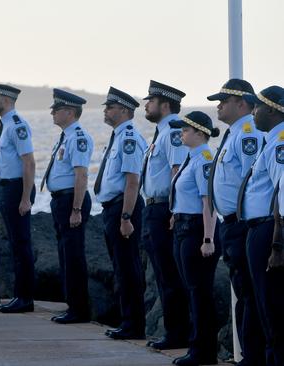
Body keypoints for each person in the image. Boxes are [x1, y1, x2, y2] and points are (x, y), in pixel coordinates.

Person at [207, 79, 266, 365]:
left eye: (223, 101)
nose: (218, 105)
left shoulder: (248, 134)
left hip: (241, 224)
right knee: (243, 291)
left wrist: (240, 222)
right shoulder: (234, 134)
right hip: (229, 224)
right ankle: (248, 354)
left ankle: (252, 357)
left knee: (250, 294)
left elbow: (250, 180)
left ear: (242, 103)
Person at [140, 80, 190, 349]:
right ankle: (174, 331)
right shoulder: (161, 132)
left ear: (165, 104)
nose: (146, 105)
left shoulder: (172, 132)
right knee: (162, 273)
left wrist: (172, 211)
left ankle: (177, 334)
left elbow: (177, 172)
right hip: (153, 208)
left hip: (164, 209)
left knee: (170, 275)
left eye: (151, 100)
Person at [169, 111, 221, 365]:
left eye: (186, 130)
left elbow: (207, 201)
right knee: (192, 291)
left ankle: (204, 351)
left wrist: (208, 238)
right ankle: (196, 347)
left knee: (199, 292)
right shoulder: (191, 157)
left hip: (197, 230)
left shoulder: (204, 159)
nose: (181, 134)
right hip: (183, 226)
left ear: (200, 133)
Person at [95, 87, 147, 339]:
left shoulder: (128, 138)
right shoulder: (117, 137)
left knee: (128, 268)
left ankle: (133, 325)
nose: (105, 110)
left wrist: (126, 217)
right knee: (120, 267)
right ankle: (127, 321)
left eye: (110, 107)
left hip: (123, 208)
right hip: (112, 207)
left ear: (124, 111)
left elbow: (132, 181)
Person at [240, 86, 284, 365]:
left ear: (271, 109)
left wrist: (278, 245)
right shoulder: (272, 140)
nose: (252, 113)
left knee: (273, 307)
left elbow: (283, 193)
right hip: (259, 229)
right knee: (263, 303)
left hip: (270, 231)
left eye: (256, 108)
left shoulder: (280, 142)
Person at [41, 89, 93, 323]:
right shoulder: (66, 137)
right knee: (65, 255)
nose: (52, 112)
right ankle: (72, 305)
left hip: (71, 199)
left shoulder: (78, 137)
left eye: (57, 109)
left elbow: (81, 175)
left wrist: (76, 209)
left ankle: (79, 310)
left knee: (73, 256)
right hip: (60, 200)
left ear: (70, 112)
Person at [0, 83, 36, 314]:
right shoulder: (5, 125)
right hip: (7, 187)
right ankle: (20, 295)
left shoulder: (17, 125)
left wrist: (25, 198)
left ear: (5, 100)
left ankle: (25, 298)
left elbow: (29, 162)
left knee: (21, 244)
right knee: (15, 245)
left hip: (17, 188)